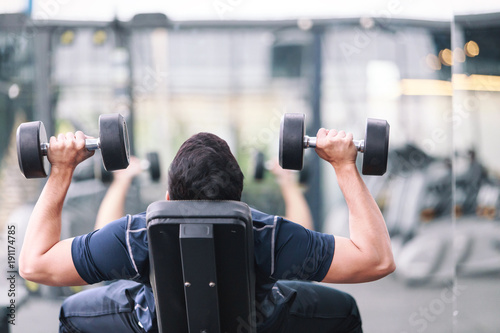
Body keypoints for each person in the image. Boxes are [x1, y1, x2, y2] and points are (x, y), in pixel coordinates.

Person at [19, 128, 395, 333]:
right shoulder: (268, 232)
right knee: (342, 310)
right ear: (240, 200)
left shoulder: (135, 234)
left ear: (167, 196)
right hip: (261, 325)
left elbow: (34, 265)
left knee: (73, 312)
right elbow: (376, 260)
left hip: (152, 326)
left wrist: (61, 171)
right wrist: (345, 166)